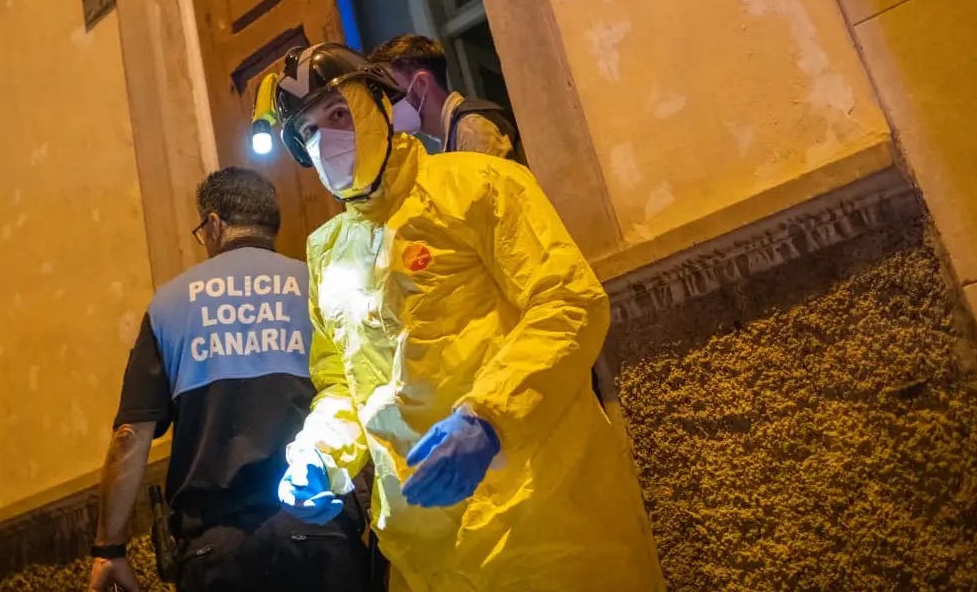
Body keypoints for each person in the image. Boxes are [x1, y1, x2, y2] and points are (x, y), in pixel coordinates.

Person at [270, 42, 618, 591]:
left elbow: (567, 302)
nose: (326, 140)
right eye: (309, 132)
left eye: (338, 114)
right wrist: (321, 451)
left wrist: (489, 418)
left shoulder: (480, 187)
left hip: (536, 516)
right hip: (422, 544)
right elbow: (343, 381)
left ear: (379, 107)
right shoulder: (327, 252)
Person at [86, 167, 369, 592]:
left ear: (214, 225)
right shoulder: (317, 287)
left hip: (217, 550)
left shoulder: (169, 306)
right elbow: (370, 399)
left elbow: (130, 435)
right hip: (321, 534)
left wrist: (109, 549)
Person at [367, 34, 523, 163]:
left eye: (390, 89)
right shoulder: (453, 134)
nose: (385, 102)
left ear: (421, 83)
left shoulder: (471, 128)